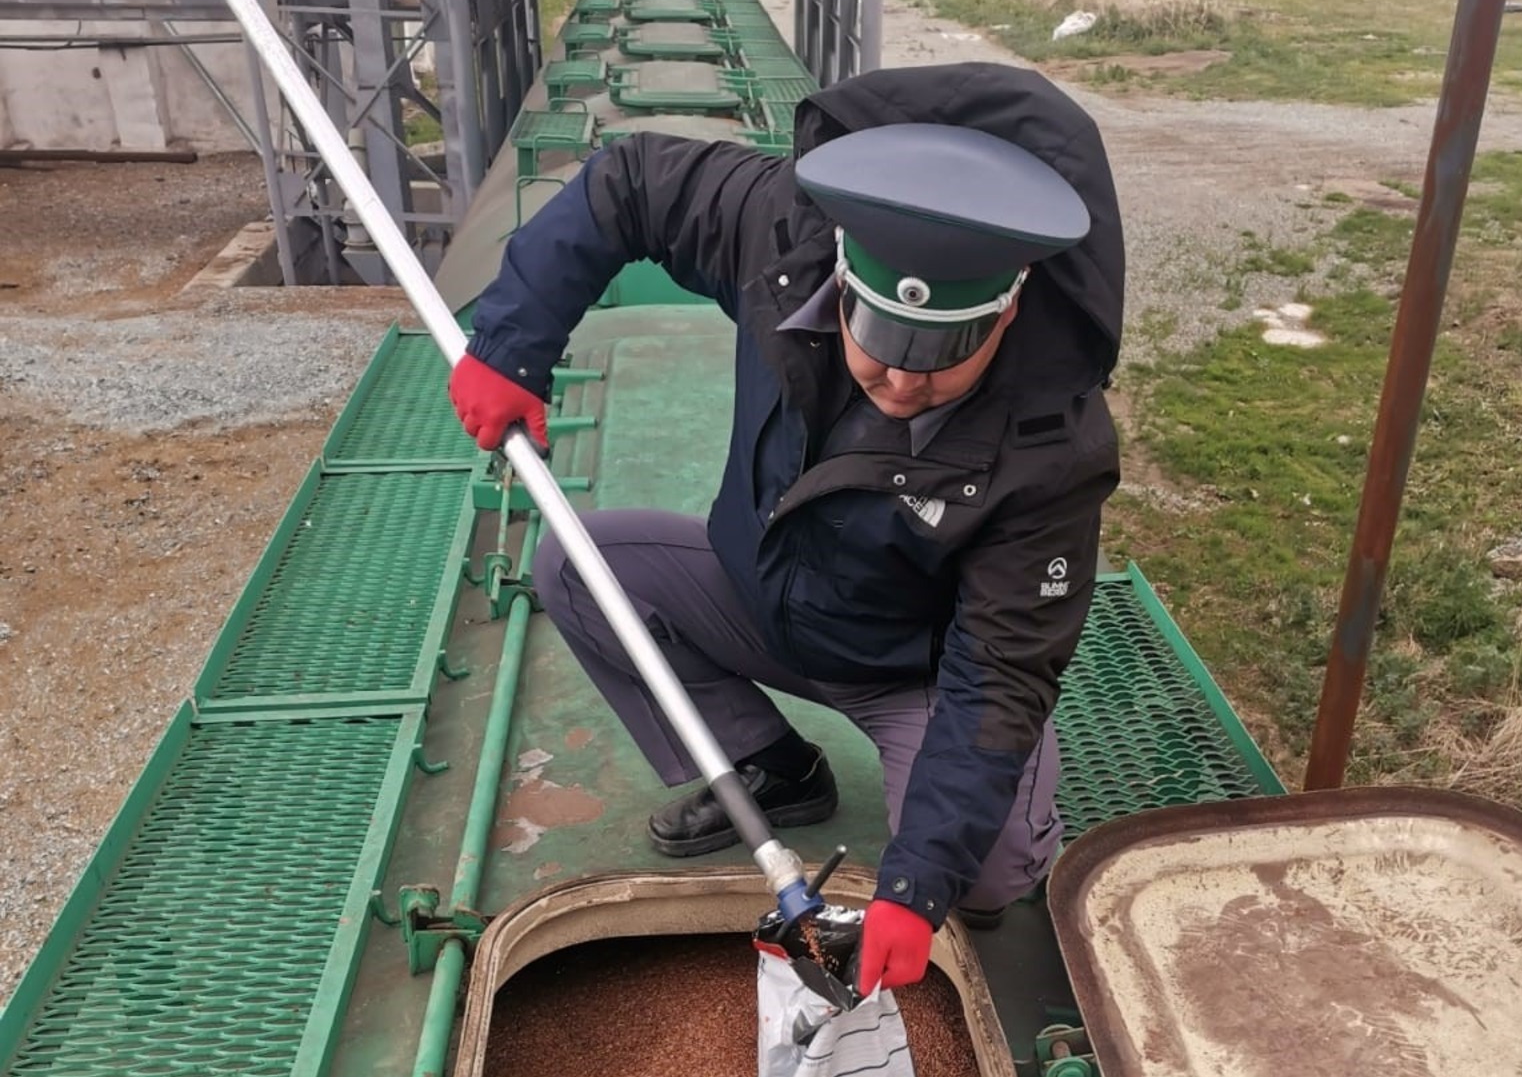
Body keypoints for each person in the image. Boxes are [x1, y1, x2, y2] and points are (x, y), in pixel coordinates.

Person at [449, 63, 1124, 994]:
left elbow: (1002, 673)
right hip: (758, 594)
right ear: (841, 274)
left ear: (1007, 307)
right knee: (578, 567)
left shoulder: (1054, 441)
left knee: (984, 874)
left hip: (914, 671)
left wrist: (916, 883)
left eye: (941, 356)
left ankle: (958, 850)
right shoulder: (779, 228)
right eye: (882, 344)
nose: (900, 382)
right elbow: (631, 180)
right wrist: (513, 342)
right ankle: (774, 764)